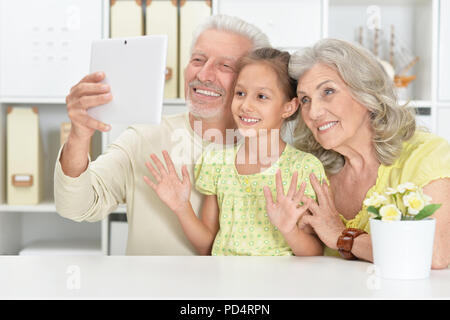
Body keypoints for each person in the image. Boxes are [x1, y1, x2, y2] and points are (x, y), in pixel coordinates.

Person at [54, 15, 271, 255]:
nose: (205, 75)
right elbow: (75, 207)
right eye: (198, 60)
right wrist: (79, 135)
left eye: (225, 66)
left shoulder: (271, 154)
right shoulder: (143, 137)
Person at [285, 38, 450, 268]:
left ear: (367, 94)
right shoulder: (311, 169)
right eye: (305, 99)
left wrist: (342, 236)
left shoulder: (427, 155)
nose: (313, 111)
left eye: (328, 91)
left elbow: (434, 255)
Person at [144, 48, 326, 256]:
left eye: (261, 96)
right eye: (240, 93)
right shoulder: (216, 161)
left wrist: (289, 230)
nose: (245, 105)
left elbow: (314, 253)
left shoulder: (303, 168)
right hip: (225, 281)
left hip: (278, 284)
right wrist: (182, 208)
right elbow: (206, 245)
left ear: (289, 107)